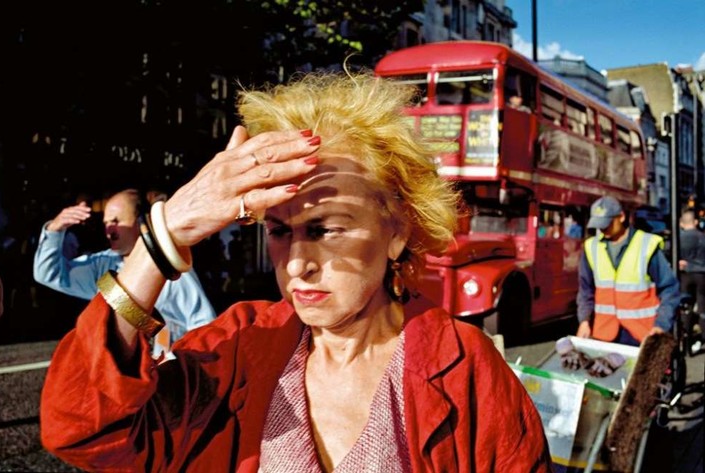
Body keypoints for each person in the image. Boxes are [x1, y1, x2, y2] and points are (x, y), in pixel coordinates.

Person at [40, 73, 551, 472]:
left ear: (397, 230)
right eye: (280, 231)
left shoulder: (465, 371)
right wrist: (164, 234)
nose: (298, 264)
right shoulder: (241, 346)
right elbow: (80, 427)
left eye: (326, 229)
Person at [33, 189, 216, 356]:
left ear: (140, 222)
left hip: (164, 368)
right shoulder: (102, 265)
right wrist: (54, 230)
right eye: (106, 222)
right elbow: (48, 274)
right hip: (115, 372)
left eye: (116, 221)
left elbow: (204, 324)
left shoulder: (169, 267)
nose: (109, 229)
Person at [576, 196, 681, 346]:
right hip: (604, 334)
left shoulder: (646, 245)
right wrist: (584, 321)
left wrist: (661, 325)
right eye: (598, 225)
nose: (603, 229)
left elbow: (669, 289)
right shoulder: (591, 247)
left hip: (642, 335)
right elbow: (586, 290)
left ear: (621, 217)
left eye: (607, 223)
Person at [678, 208, 705, 353]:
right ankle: (703, 337)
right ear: (695, 222)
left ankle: (686, 341)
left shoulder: (679, 238)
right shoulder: (702, 237)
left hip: (685, 275)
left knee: (685, 307)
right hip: (702, 274)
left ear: (681, 223)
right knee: (702, 307)